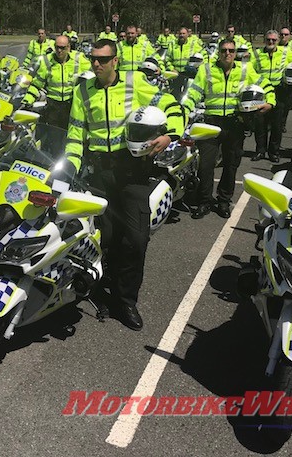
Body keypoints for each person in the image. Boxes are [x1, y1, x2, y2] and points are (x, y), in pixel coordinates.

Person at [65, 39, 184, 330]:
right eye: (93, 59)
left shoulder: (135, 83)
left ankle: (125, 300)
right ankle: (99, 288)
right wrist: (69, 166)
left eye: (103, 60)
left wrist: (170, 135)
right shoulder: (82, 90)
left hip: (132, 170)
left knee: (135, 239)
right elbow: (74, 134)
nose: (96, 64)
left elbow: (171, 105)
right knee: (101, 238)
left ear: (115, 61)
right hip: (98, 172)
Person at [183, 39, 275, 218]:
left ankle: (224, 201)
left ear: (235, 52)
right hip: (210, 123)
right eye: (224, 50)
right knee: (206, 165)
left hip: (235, 123)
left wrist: (270, 101)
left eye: (231, 50)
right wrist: (184, 110)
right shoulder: (206, 69)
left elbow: (266, 84)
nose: (228, 53)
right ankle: (204, 201)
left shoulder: (245, 69)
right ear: (218, 52)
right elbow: (193, 91)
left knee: (231, 165)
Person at [250, 29, 292, 162]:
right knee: (260, 124)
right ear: (264, 40)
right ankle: (260, 151)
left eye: (274, 40)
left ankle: (273, 152)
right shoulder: (257, 54)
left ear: (277, 41)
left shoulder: (285, 52)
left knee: (277, 125)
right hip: (262, 92)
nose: (271, 42)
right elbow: (248, 68)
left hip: (280, 92)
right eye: (268, 40)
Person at [23, 34, 91, 129]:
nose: (59, 51)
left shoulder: (78, 59)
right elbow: (36, 85)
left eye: (62, 48)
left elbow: (93, 74)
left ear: (68, 47)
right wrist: (26, 102)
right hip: (53, 106)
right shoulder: (47, 61)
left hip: (72, 105)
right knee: (52, 135)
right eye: (57, 47)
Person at [165, 27, 204, 98]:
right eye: (180, 33)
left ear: (187, 34)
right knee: (175, 96)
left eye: (183, 33)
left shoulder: (193, 44)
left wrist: (199, 66)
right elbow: (167, 59)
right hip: (176, 75)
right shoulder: (172, 44)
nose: (181, 35)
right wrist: (172, 69)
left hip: (189, 74)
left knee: (189, 95)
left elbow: (203, 55)